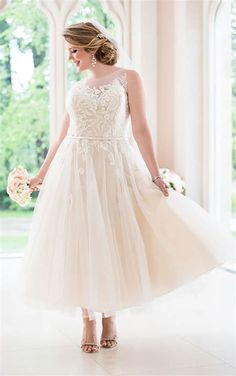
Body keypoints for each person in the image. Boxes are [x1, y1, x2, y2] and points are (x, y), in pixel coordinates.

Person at [18, 21, 235, 354]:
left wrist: (155, 174)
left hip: (114, 166)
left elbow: (141, 130)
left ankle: (110, 315)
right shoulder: (77, 88)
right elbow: (61, 136)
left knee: (113, 238)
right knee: (82, 240)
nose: (71, 58)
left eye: (73, 51)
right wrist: (41, 176)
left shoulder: (128, 78)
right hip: (75, 170)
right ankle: (88, 318)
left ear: (90, 47)